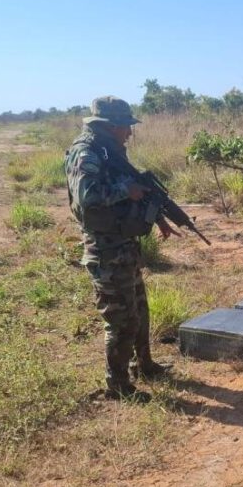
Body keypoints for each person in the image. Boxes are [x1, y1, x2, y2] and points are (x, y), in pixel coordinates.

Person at [65, 96, 178, 399]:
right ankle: (118, 386)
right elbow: (87, 197)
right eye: (126, 127)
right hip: (105, 251)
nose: (129, 133)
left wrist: (158, 219)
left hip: (124, 247)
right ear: (111, 126)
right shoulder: (86, 153)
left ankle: (145, 365)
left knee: (139, 310)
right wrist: (125, 189)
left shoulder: (109, 152)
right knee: (120, 321)